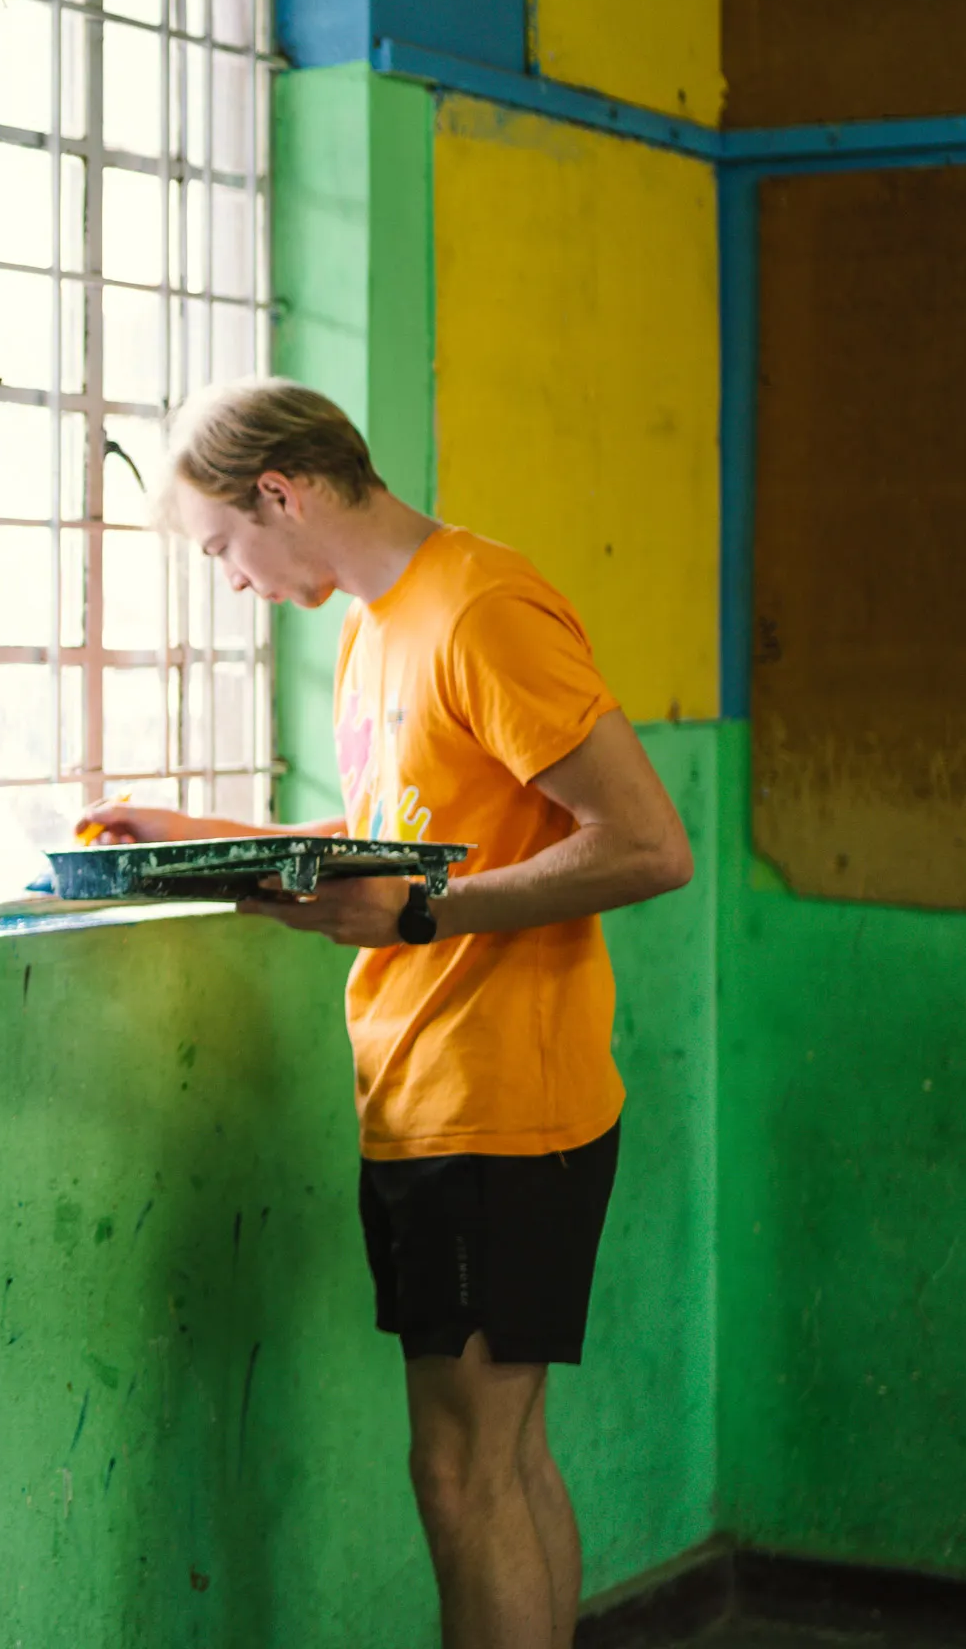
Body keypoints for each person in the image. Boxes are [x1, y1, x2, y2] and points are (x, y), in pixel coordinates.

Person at [80, 378, 691, 1649]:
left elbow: (646, 845)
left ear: (282, 494)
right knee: (501, 1462)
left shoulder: (481, 605)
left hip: (500, 1107)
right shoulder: (374, 623)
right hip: (430, 1100)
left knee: (465, 1472)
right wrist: (202, 837)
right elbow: (402, 840)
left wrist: (421, 923)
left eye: (221, 549)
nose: (232, 582)